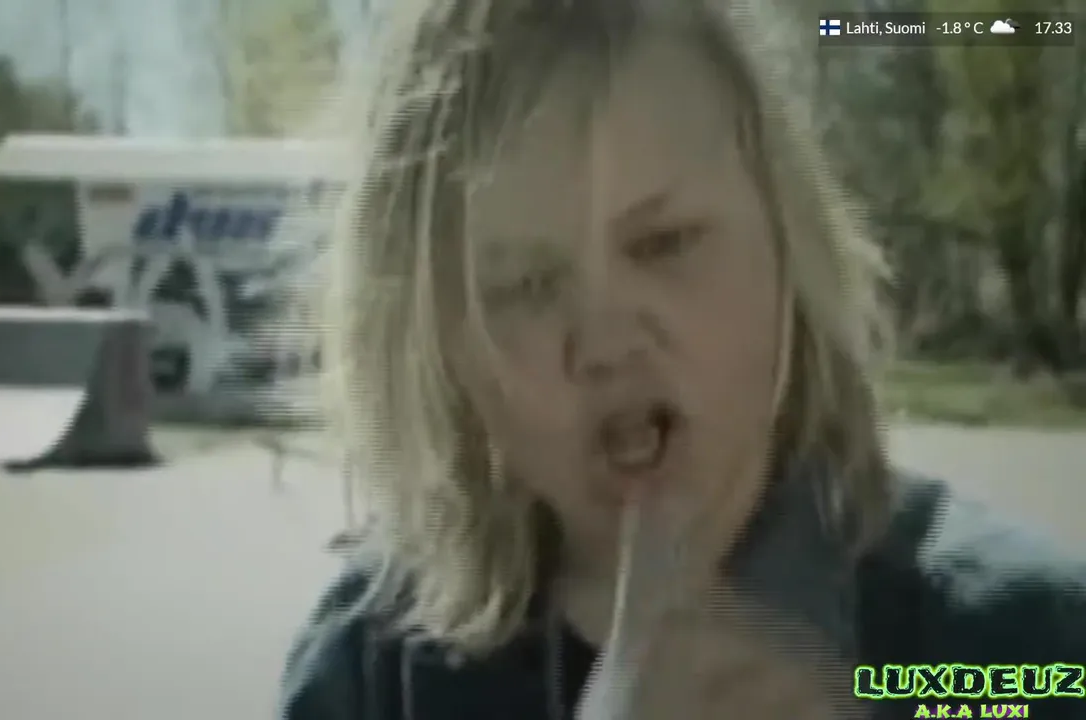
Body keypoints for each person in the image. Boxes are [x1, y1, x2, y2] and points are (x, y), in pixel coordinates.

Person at [278, 1, 1086, 718]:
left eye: (664, 243)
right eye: (525, 284)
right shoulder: (371, 678)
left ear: (786, 241)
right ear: (438, 349)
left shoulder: (1012, 649)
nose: (606, 344)